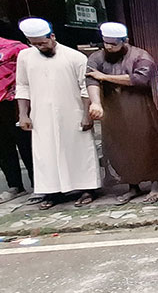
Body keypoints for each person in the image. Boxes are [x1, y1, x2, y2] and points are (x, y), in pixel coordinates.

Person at [15, 18, 100, 210]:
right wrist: (23, 115)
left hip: (72, 113)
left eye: (43, 43)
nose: (39, 47)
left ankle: (87, 189)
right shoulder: (25, 57)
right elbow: (22, 86)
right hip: (40, 115)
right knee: (45, 154)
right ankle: (52, 192)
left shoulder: (75, 57)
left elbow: (84, 87)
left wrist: (87, 115)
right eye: (34, 44)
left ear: (52, 37)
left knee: (79, 151)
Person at [87, 22, 158, 205]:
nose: (109, 47)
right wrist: (96, 103)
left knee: (148, 145)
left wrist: (105, 77)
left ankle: (155, 185)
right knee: (121, 149)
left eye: (114, 44)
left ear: (125, 41)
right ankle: (132, 187)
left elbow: (140, 79)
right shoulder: (96, 57)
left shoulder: (141, 55)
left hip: (140, 108)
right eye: (106, 43)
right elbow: (91, 80)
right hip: (113, 110)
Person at [0, 29, 32, 203]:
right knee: (3, 147)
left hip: (14, 101)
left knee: (26, 142)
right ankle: (15, 186)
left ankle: (37, 184)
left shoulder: (15, 47)